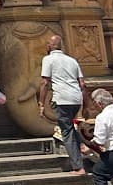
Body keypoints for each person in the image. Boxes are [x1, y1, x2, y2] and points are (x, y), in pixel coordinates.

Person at [38, 34, 89, 174]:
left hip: (62, 98)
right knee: (69, 126)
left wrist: (41, 103)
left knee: (66, 131)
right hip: (76, 98)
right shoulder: (72, 60)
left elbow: (44, 82)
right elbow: (82, 84)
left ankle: (78, 167)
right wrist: (86, 105)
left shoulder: (48, 59)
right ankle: (83, 145)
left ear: (50, 46)